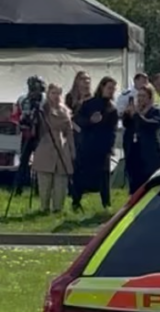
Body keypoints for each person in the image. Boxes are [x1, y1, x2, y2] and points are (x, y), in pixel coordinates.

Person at [71, 76, 119, 211]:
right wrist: (90, 121)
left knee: (103, 177)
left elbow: (113, 130)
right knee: (81, 174)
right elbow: (77, 120)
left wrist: (110, 147)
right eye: (109, 88)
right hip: (87, 145)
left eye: (113, 89)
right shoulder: (89, 103)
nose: (111, 91)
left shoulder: (112, 108)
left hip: (102, 148)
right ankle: (76, 201)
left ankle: (106, 203)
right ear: (102, 87)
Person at [33, 83, 75, 214]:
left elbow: (69, 131)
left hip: (62, 147)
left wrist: (72, 149)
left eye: (58, 93)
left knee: (60, 180)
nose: (56, 96)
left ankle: (58, 208)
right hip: (46, 145)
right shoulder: (42, 110)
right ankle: (44, 207)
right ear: (48, 94)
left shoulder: (65, 111)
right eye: (53, 93)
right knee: (45, 179)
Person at [121, 83, 160, 193]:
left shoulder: (155, 110)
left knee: (149, 180)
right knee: (134, 180)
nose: (140, 99)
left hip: (149, 152)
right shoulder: (135, 110)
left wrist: (136, 115)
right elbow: (127, 126)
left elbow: (151, 124)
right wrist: (127, 115)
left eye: (143, 96)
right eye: (139, 96)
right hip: (134, 149)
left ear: (150, 98)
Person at [13, 76, 45, 195]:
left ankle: (38, 189)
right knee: (23, 162)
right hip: (26, 135)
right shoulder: (22, 99)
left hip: (41, 135)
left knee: (40, 163)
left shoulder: (45, 100)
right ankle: (18, 188)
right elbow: (16, 115)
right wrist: (22, 122)